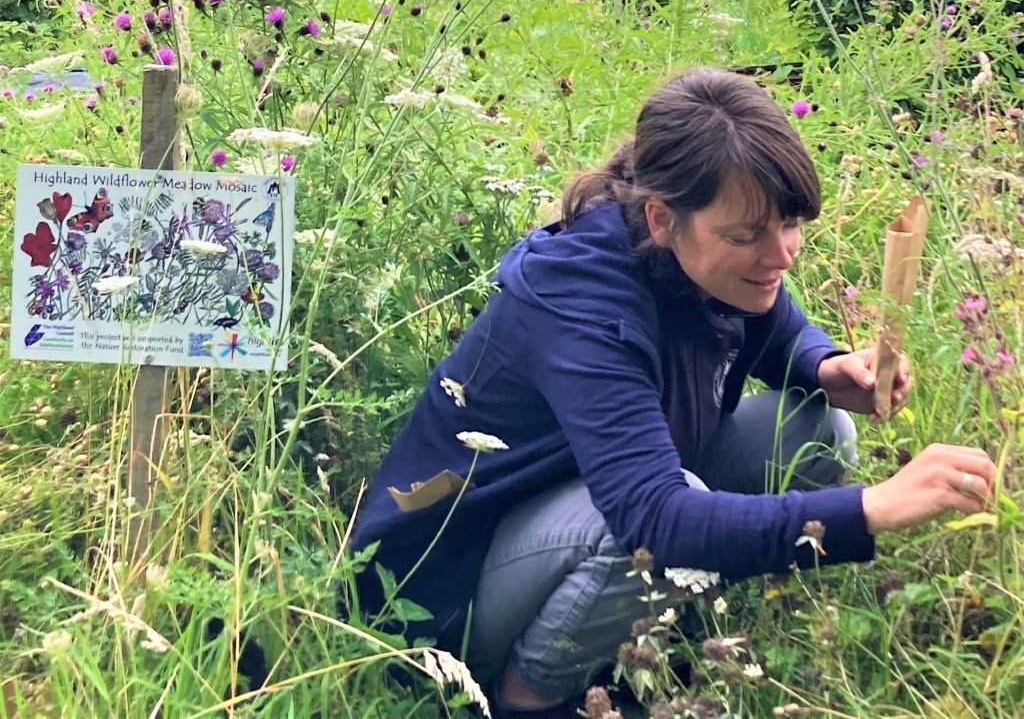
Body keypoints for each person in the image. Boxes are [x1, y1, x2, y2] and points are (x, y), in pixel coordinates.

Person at [351, 67, 996, 718]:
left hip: (573, 502)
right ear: (662, 217)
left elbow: (774, 320)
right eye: (747, 236)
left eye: (790, 224)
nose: (783, 254)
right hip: (442, 587)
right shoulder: (584, 303)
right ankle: (532, 696)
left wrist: (826, 366)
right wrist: (872, 508)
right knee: (645, 525)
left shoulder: (685, 241)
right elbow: (656, 518)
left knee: (819, 426)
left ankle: (659, 620)